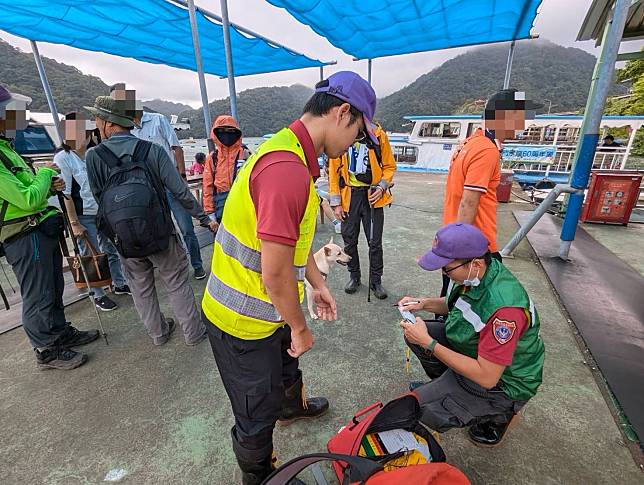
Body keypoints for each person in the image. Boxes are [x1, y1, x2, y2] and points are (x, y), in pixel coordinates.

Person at [201, 71, 378, 484]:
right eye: (357, 133)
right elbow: (276, 275)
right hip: (240, 322)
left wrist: (317, 284)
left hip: (269, 313)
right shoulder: (286, 170)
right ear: (341, 113)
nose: (354, 143)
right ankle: (260, 475)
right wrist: (300, 326)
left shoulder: (293, 154)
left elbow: (294, 250)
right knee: (254, 412)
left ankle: (290, 407)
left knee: (287, 371)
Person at [84, 96, 217, 347]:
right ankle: (193, 333)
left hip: (124, 237)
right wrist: (202, 217)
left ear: (109, 124)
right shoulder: (151, 150)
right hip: (160, 233)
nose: (96, 124)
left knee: (141, 288)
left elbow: (100, 199)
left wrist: (111, 236)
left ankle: (158, 334)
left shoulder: (94, 157)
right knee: (176, 282)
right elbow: (179, 191)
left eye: (98, 119)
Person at [399, 223, 545, 447]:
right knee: (414, 334)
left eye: (446, 268)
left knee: (422, 408)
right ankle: (448, 384)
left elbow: (488, 377)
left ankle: (499, 415)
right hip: (478, 350)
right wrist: (422, 304)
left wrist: (429, 343)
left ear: (475, 263)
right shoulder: (476, 274)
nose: (443, 272)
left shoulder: (505, 311)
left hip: (504, 382)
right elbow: (454, 305)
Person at [0, 84, 98, 370]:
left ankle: (59, 332)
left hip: (39, 230)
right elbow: (28, 198)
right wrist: (46, 173)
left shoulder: (8, 149)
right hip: (24, 232)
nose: (15, 117)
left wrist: (48, 184)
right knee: (37, 292)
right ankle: (45, 348)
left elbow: (29, 189)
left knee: (53, 285)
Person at [440, 88, 540, 297]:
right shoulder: (486, 150)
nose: (523, 125)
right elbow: (468, 202)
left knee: (453, 299)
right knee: (470, 302)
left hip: (456, 237)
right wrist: (463, 253)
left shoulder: (469, 143)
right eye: (521, 117)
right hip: (476, 245)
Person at [116, 87, 207, 281]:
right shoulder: (127, 130)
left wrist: (181, 177)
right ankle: (173, 268)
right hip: (148, 188)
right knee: (160, 229)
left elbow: (177, 148)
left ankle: (197, 264)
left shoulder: (158, 120)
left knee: (186, 228)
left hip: (170, 183)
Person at [54, 112, 131, 312]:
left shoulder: (93, 153)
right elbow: (66, 193)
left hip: (102, 211)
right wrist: (73, 222)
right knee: (90, 254)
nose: (82, 136)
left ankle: (119, 282)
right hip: (83, 215)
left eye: (85, 132)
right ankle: (97, 294)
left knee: (111, 248)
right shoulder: (64, 158)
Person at [328, 122, 396, 299]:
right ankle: (354, 276)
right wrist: (335, 203)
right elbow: (333, 173)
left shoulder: (378, 135)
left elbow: (389, 166)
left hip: (373, 196)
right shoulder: (340, 135)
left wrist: (381, 187)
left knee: (375, 242)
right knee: (349, 240)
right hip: (349, 197)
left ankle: (376, 281)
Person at [202, 115, 244, 223]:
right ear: (215, 134)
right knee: (221, 237)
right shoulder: (213, 157)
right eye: (222, 131)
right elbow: (208, 186)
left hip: (243, 201)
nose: (227, 134)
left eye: (231, 131)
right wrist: (210, 212)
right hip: (220, 203)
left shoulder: (245, 154)